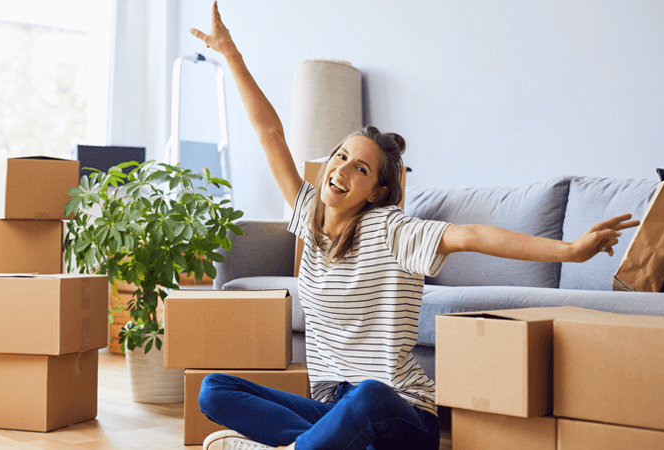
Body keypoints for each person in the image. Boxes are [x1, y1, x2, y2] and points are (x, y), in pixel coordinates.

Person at [190, 3, 639, 450]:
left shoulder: (391, 229)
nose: (342, 170)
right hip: (332, 409)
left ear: (376, 192)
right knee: (215, 388)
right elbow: (270, 132)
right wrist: (231, 54)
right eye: (341, 156)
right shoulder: (309, 217)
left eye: (361, 169)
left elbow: (473, 235)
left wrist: (570, 250)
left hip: (400, 414)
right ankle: (312, 446)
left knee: (368, 396)